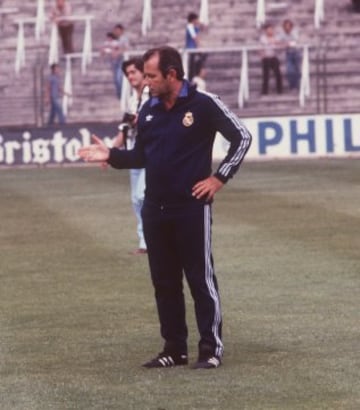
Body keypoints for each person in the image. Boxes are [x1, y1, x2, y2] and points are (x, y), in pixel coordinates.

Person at [78, 46, 252, 369]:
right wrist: (110, 156)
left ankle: (211, 348)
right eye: (144, 75)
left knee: (200, 279)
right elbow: (141, 157)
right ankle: (174, 348)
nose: (144, 82)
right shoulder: (148, 110)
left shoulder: (203, 104)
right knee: (165, 282)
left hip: (191, 208)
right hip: (155, 209)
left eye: (151, 75)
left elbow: (242, 137)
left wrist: (219, 179)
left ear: (172, 75)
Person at [112, 58, 149, 255]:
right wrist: (108, 153)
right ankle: (145, 242)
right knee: (136, 200)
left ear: (144, 72)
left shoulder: (151, 97)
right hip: (134, 154)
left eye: (134, 72)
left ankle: (155, 238)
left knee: (142, 195)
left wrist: (139, 121)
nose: (131, 76)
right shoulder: (133, 100)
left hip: (149, 154)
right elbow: (123, 131)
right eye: (128, 73)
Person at [259, 22, 283, 95]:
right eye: (269, 30)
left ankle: (280, 90)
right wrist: (261, 56)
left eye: (271, 29)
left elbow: (279, 44)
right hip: (266, 58)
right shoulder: (263, 38)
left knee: (278, 74)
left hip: (273, 57)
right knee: (265, 75)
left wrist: (275, 42)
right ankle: (264, 91)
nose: (270, 31)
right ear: (266, 30)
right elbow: (261, 48)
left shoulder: (276, 37)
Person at [109, 24, 130, 99]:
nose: (116, 32)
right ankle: (120, 95)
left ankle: (122, 95)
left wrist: (118, 53)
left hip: (121, 61)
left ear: (121, 31)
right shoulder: (113, 39)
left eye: (117, 30)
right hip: (115, 62)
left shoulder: (124, 39)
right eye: (115, 31)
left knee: (119, 78)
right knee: (116, 79)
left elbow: (126, 48)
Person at [279, 19, 301, 90]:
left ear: (291, 26)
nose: (287, 27)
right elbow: (279, 41)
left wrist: (287, 43)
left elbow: (296, 41)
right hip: (289, 53)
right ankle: (292, 85)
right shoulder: (282, 33)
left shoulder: (295, 31)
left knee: (297, 69)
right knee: (289, 70)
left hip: (296, 52)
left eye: (289, 26)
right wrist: (284, 44)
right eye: (286, 26)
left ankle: (298, 85)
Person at [185, 12, 207, 81]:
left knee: (203, 56)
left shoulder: (194, 26)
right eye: (196, 19)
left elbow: (204, 28)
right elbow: (195, 38)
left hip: (194, 49)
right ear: (193, 20)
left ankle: (197, 72)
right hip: (191, 49)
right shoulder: (190, 26)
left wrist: (201, 24)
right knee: (192, 64)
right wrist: (199, 47)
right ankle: (192, 77)